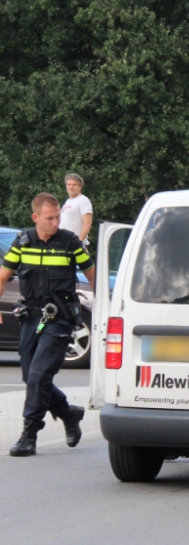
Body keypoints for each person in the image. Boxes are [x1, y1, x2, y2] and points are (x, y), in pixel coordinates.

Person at [0, 193, 96, 456]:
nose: (56, 222)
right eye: (49, 218)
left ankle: (28, 435)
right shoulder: (23, 242)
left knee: (39, 375)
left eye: (57, 217)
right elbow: (3, 275)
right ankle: (69, 412)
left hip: (60, 319)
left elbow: (92, 274)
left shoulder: (70, 242)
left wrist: (105, 309)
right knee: (29, 375)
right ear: (35, 218)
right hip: (32, 318)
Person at [61, 173, 93, 246]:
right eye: (69, 184)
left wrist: (79, 241)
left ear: (80, 187)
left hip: (74, 244)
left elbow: (87, 222)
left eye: (74, 185)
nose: (71, 187)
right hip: (64, 243)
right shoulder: (67, 202)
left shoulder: (83, 200)